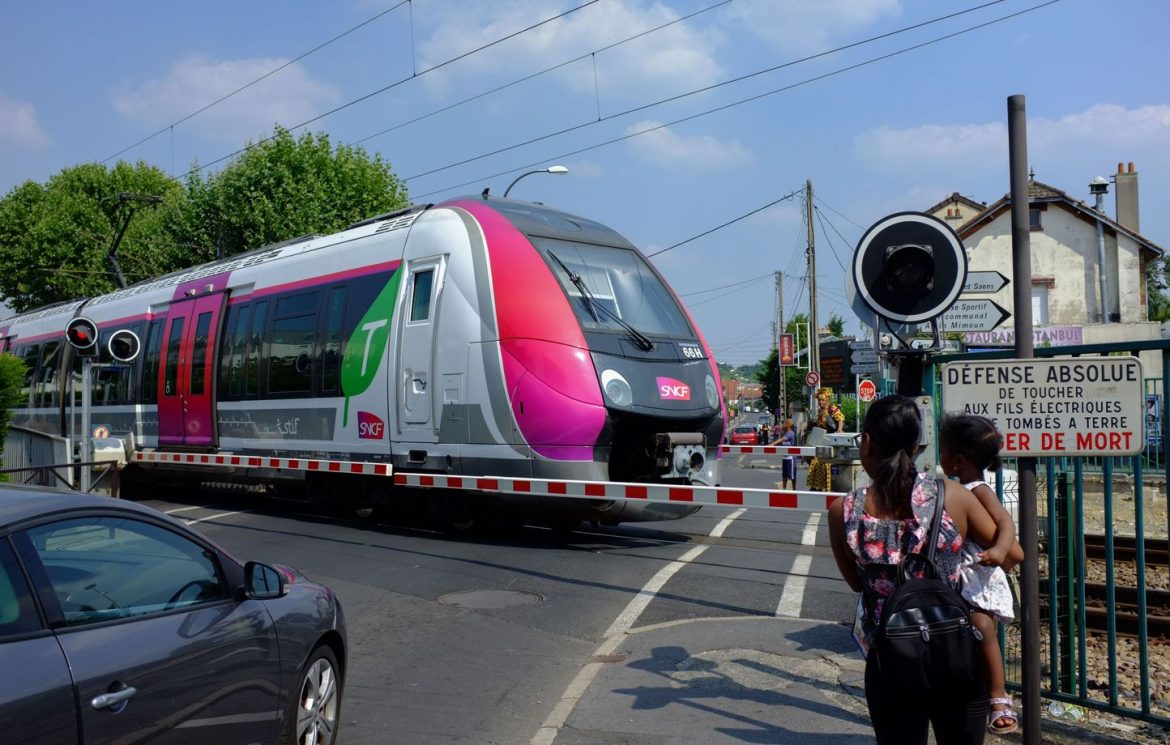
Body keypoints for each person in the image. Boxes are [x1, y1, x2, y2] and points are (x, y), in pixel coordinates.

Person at [827, 395, 1023, 745]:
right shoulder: (954, 497)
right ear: (917, 446)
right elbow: (1012, 556)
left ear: (867, 442)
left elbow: (858, 584)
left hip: (891, 663)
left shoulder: (843, 511)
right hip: (955, 654)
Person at [940, 414, 1021, 736]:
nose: (939, 457)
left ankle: (997, 695)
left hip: (979, 573)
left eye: (943, 450)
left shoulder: (978, 489)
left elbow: (1006, 524)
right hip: (965, 572)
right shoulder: (960, 488)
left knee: (982, 625)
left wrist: (1001, 550)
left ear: (958, 461)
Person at [805, 387, 845, 491]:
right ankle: (816, 486)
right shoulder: (820, 411)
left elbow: (840, 418)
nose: (820, 402)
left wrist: (839, 430)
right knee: (816, 461)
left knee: (826, 462)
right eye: (819, 400)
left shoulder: (832, 408)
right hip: (820, 438)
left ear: (827, 400)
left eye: (822, 400)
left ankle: (827, 486)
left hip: (829, 438)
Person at [779, 419, 797, 490]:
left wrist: (772, 444)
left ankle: (794, 490)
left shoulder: (791, 433)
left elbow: (782, 439)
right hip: (785, 458)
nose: (782, 425)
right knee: (784, 475)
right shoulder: (785, 433)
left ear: (788, 424)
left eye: (784, 423)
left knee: (792, 476)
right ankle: (784, 490)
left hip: (791, 458)